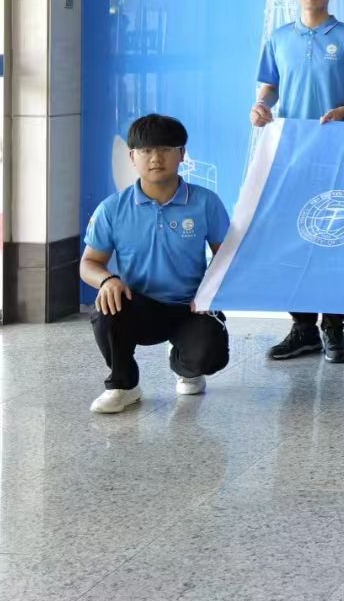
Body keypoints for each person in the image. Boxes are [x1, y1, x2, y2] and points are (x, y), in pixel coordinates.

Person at [251, 0, 344, 365]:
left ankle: (334, 329)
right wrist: (261, 105)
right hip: (292, 154)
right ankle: (303, 328)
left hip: (341, 153)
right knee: (294, 237)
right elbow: (270, 86)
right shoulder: (280, 38)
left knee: (337, 238)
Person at [79, 114, 231, 414]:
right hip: (138, 306)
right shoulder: (113, 208)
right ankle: (124, 385)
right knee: (107, 306)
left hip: (190, 307)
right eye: (146, 150)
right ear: (132, 157)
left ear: (182, 154)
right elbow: (89, 263)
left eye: (165, 149)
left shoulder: (206, 202)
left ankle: (186, 367)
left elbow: (226, 256)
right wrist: (107, 280)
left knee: (211, 354)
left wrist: (208, 294)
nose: (156, 158)